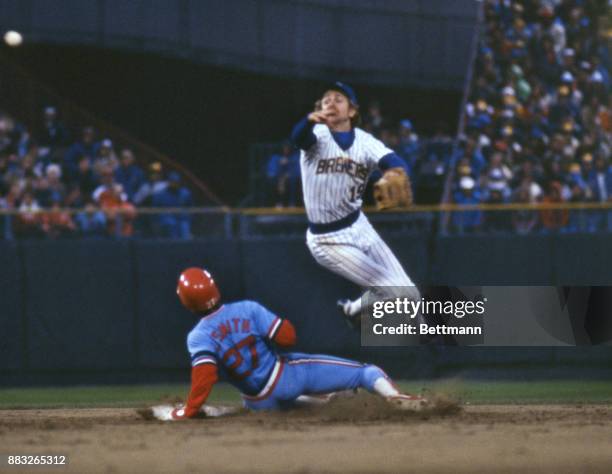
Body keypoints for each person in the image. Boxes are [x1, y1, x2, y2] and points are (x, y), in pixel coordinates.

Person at [153, 267, 427, 420]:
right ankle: (395, 398)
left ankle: (330, 402)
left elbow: (205, 376)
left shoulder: (198, 336)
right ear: (215, 289)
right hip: (285, 377)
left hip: (259, 402)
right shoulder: (247, 308)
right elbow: (287, 336)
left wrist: (190, 410)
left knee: (316, 404)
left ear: (186, 303)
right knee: (365, 371)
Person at [290, 82, 419, 327]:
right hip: (327, 240)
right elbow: (298, 138)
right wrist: (308, 120)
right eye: (326, 99)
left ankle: (354, 309)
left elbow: (397, 162)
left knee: (409, 293)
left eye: (338, 99)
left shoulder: (365, 141)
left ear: (352, 111)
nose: (330, 102)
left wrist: (393, 172)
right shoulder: (316, 135)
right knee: (394, 289)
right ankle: (433, 339)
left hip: (359, 226)